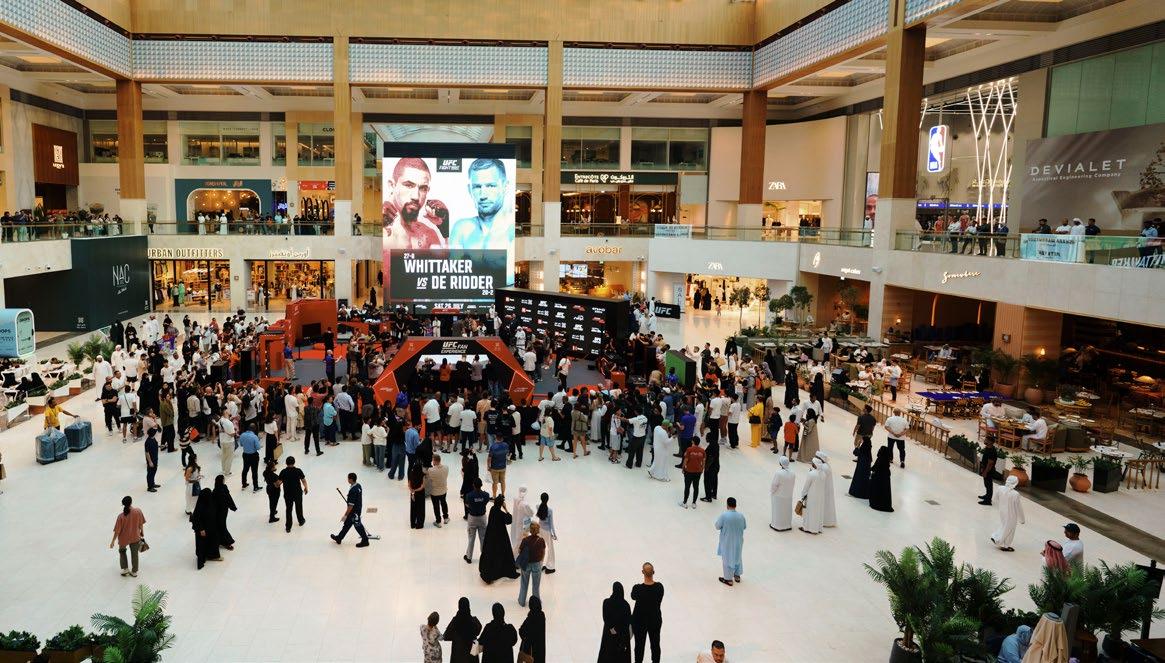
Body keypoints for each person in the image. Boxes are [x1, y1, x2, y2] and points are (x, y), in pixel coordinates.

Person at [480, 496, 520, 583]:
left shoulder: (492, 509)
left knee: (491, 552)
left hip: (491, 534)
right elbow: (509, 520)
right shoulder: (501, 514)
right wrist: (505, 509)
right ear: (501, 504)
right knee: (502, 552)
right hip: (500, 536)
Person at [631, 562, 664, 663]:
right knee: (655, 645)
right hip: (655, 621)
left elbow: (633, 596)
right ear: (653, 572)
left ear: (642, 572)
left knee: (639, 646)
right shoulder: (659, 587)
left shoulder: (637, 589)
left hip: (639, 622)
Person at [109, 496, 145, 577]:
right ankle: (134, 571)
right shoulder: (138, 511)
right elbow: (141, 523)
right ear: (131, 502)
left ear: (123, 504)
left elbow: (117, 531)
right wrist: (142, 532)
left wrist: (113, 541)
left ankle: (125, 569)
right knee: (135, 554)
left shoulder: (121, 516)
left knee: (122, 551)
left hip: (123, 538)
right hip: (135, 536)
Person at [331, 472, 370, 547]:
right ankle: (339, 538)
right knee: (347, 524)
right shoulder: (358, 485)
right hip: (357, 509)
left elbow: (351, 506)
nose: (347, 479)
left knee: (358, 525)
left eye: (348, 478)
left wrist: (345, 515)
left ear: (351, 479)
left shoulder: (353, 490)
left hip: (354, 512)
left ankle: (365, 540)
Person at [714, 497, 746, 587]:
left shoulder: (724, 515)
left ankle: (728, 579)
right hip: (738, 540)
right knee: (737, 556)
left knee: (727, 558)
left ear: (727, 505)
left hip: (727, 541)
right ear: (735, 505)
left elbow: (717, 526)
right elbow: (744, 526)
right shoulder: (741, 516)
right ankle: (737, 575)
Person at [598, 582, 632, 663]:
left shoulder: (606, 602)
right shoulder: (626, 605)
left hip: (609, 635)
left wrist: (612, 629)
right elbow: (627, 622)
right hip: (621, 636)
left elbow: (606, 618)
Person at [990, 475, 1025, 551]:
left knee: (1004, 526)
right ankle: (999, 540)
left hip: (1002, 511)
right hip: (1012, 514)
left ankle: (1001, 542)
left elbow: (995, 498)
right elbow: (1019, 508)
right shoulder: (1015, 494)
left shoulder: (1000, 488)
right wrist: (1022, 519)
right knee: (1010, 529)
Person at [516, 521, 547, 607]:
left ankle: (521, 601)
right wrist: (541, 561)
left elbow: (519, 551)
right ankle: (536, 602)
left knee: (524, 584)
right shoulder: (541, 540)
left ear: (530, 530)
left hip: (526, 564)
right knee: (536, 586)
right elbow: (543, 552)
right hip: (537, 564)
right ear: (538, 530)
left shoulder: (525, 540)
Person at [443, 597, 482, 663]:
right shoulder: (474, 621)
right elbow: (478, 631)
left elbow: (446, 636)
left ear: (459, 607)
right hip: (472, 657)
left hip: (458, 656)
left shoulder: (455, 622)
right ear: (468, 606)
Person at [190, 487, 221, 569]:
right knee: (202, 544)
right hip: (203, 530)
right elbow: (196, 519)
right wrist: (201, 529)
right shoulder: (200, 506)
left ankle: (211, 555)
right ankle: (202, 558)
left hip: (210, 527)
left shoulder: (209, 502)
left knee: (212, 541)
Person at [277, 456, 308, 533]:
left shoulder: (283, 472)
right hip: (297, 493)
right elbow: (303, 480)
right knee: (299, 507)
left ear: (286, 463)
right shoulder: (298, 471)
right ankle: (301, 521)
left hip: (288, 494)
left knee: (288, 509)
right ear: (294, 462)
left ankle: (288, 527)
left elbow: (278, 483)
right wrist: (306, 487)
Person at [463, 478, 490, 564]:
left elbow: (467, 504)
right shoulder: (486, 495)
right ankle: (484, 557)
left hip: (472, 518)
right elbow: (486, 502)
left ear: (473, 485)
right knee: (483, 538)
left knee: (471, 538)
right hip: (482, 518)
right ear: (481, 485)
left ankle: (469, 557)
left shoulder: (469, 495)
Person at [799, 458, 825, 534]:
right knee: (818, 512)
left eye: (812, 463)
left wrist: (803, 494)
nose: (812, 464)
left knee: (809, 512)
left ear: (815, 464)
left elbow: (806, 486)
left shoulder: (811, 474)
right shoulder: (823, 474)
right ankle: (817, 528)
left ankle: (807, 528)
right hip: (820, 496)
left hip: (811, 496)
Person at [211, 474, 237, 551]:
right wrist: (232, 506)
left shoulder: (216, 490)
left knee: (221, 525)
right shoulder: (222, 488)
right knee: (221, 525)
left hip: (220, 510)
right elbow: (228, 497)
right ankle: (224, 541)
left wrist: (232, 506)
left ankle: (225, 541)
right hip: (222, 510)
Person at [769, 456, 795, 532]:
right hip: (788, 495)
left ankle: (777, 525)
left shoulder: (779, 473)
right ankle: (787, 525)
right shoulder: (793, 473)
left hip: (779, 496)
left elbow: (774, 485)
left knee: (778, 511)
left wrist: (772, 492)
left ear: (780, 464)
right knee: (787, 511)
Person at [518, 595, 546, 663]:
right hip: (540, 647)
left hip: (531, 650)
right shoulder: (542, 615)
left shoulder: (530, 619)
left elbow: (521, 631)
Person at [679, 436, 705, 509]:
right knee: (696, 487)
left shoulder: (689, 449)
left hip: (689, 471)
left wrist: (683, 468)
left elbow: (686, 460)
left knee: (687, 487)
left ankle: (684, 502)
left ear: (693, 442)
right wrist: (702, 469)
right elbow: (703, 461)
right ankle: (694, 503)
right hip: (698, 471)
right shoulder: (702, 451)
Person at [534, 492, 557, 573]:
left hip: (539, 530)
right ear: (548, 500)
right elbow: (551, 524)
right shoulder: (550, 510)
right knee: (550, 549)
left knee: (540, 547)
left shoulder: (538, 506)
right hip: (547, 531)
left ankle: (539, 565)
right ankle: (550, 567)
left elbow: (538, 506)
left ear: (541, 499)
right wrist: (554, 534)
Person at [815, 451, 837, 528]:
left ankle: (824, 521)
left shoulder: (823, 467)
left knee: (825, 505)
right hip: (827, 488)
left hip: (824, 489)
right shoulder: (826, 465)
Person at [869, 446, 894, 512]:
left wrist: (870, 470)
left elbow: (875, 468)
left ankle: (876, 503)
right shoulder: (886, 460)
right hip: (885, 479)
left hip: (878, 479)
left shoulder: (880, 459)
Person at [510, 486, 534, 554]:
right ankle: (514, 556)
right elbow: (531, 513)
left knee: (518, 541)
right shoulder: (525, 503)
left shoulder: (516, 500)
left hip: (517, 523)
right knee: (521, 542)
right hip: (524, 525)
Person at [848, 434, 873, 499]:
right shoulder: (868, 449)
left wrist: (858, 445)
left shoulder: (863, 448)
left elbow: (855, 452)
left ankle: (856, 493)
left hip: (860, 467)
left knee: (858, 479)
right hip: (866, 469)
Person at [238, 424, 261, 491]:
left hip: (245, 455)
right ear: (254, 429)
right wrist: (258, 440)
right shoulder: (254, 437)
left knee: (245, 469)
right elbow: (258, 447)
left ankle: (244, 484)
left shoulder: (242, 435)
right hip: (253, 456)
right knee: (254, 471)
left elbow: (241, 444)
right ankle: (255, 487)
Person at [979, 437, 999, 505]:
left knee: (989, 485)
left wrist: (985, 472)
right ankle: (987, 495)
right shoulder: (987, 448)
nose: (985, 440)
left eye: (986, 440)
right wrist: (982, 468)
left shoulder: (992, 451)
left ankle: (988, 500)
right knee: (986, 484)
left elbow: (990, 463)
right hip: (985, 468)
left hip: (989, 470)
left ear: (990, 442)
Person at [409, 462, 428, 530]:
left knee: (413, 508)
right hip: (420, 494)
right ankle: (419, 524)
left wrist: (412, 490)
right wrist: (416, 490)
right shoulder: (422, 475)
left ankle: (413, 524)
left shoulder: (411, 473)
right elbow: (422, 486)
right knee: (420, 509)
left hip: (413, 493)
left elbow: (409, 484)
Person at [263, 459, 281, 523]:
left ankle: (273, 511)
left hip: (269, 489)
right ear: (271, 468)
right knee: (274, 503)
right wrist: (281, 481)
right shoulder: (274, 476)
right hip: (274, 491)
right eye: (274, 466)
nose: (275, 467)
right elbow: (277, 485)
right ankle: (272, 517)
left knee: (271, 502)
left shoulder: (265, 472)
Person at [143, 427, 161, 492]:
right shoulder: (147, 442)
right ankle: (150, 487)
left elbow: (155, 445)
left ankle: (152, 483)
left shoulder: (153, 439)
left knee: (154, 471)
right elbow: (147, 453)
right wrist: (150, 462)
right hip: (151, 460)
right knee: (150, 473)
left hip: (155, 458)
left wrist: (159, 446)